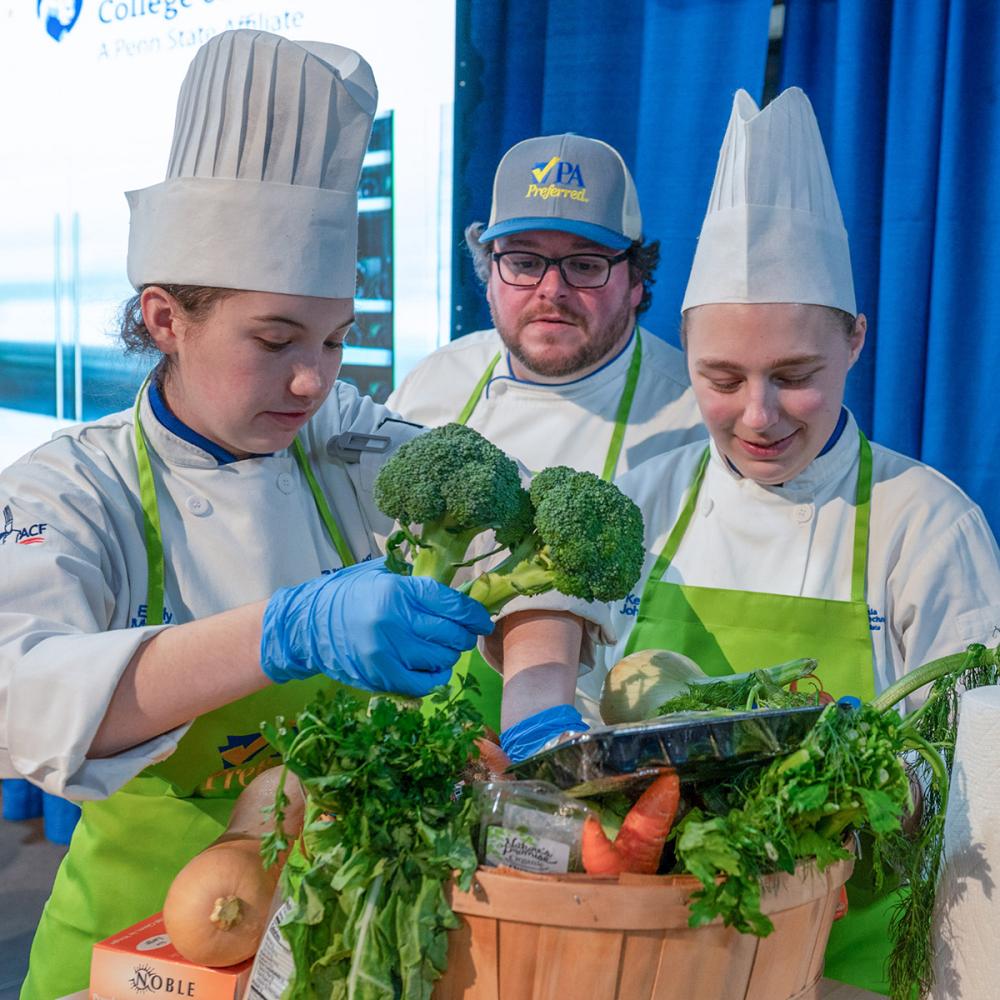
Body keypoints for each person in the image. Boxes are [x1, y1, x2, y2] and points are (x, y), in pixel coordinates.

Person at [0, 31, 492, 999]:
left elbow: (503, 522)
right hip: (121, 965)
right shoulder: (74, 486)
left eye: (337, 338)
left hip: (330, 958)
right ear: (164, 318)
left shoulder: (344, 443)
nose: (312, 379)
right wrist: (285, 631)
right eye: (274, 340)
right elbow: (22, 692)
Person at [486, 88, 1000, 994]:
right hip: (654, 961)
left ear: (855, 342)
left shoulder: (930, 522)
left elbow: (980, 749)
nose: (757, 417)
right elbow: (556, 662)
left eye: (795, 377)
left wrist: (868, 798)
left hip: (853, 965)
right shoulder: (642, 499)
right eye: (721, 378)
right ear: (683, 352)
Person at [388, 133, 704, 729]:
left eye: (585, 265)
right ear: (488, 274)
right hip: (420, 732)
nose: (551, 290)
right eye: (524, 261)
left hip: (590, 755)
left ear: (637, 283)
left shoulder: (695, 414)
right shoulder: (434, 382)